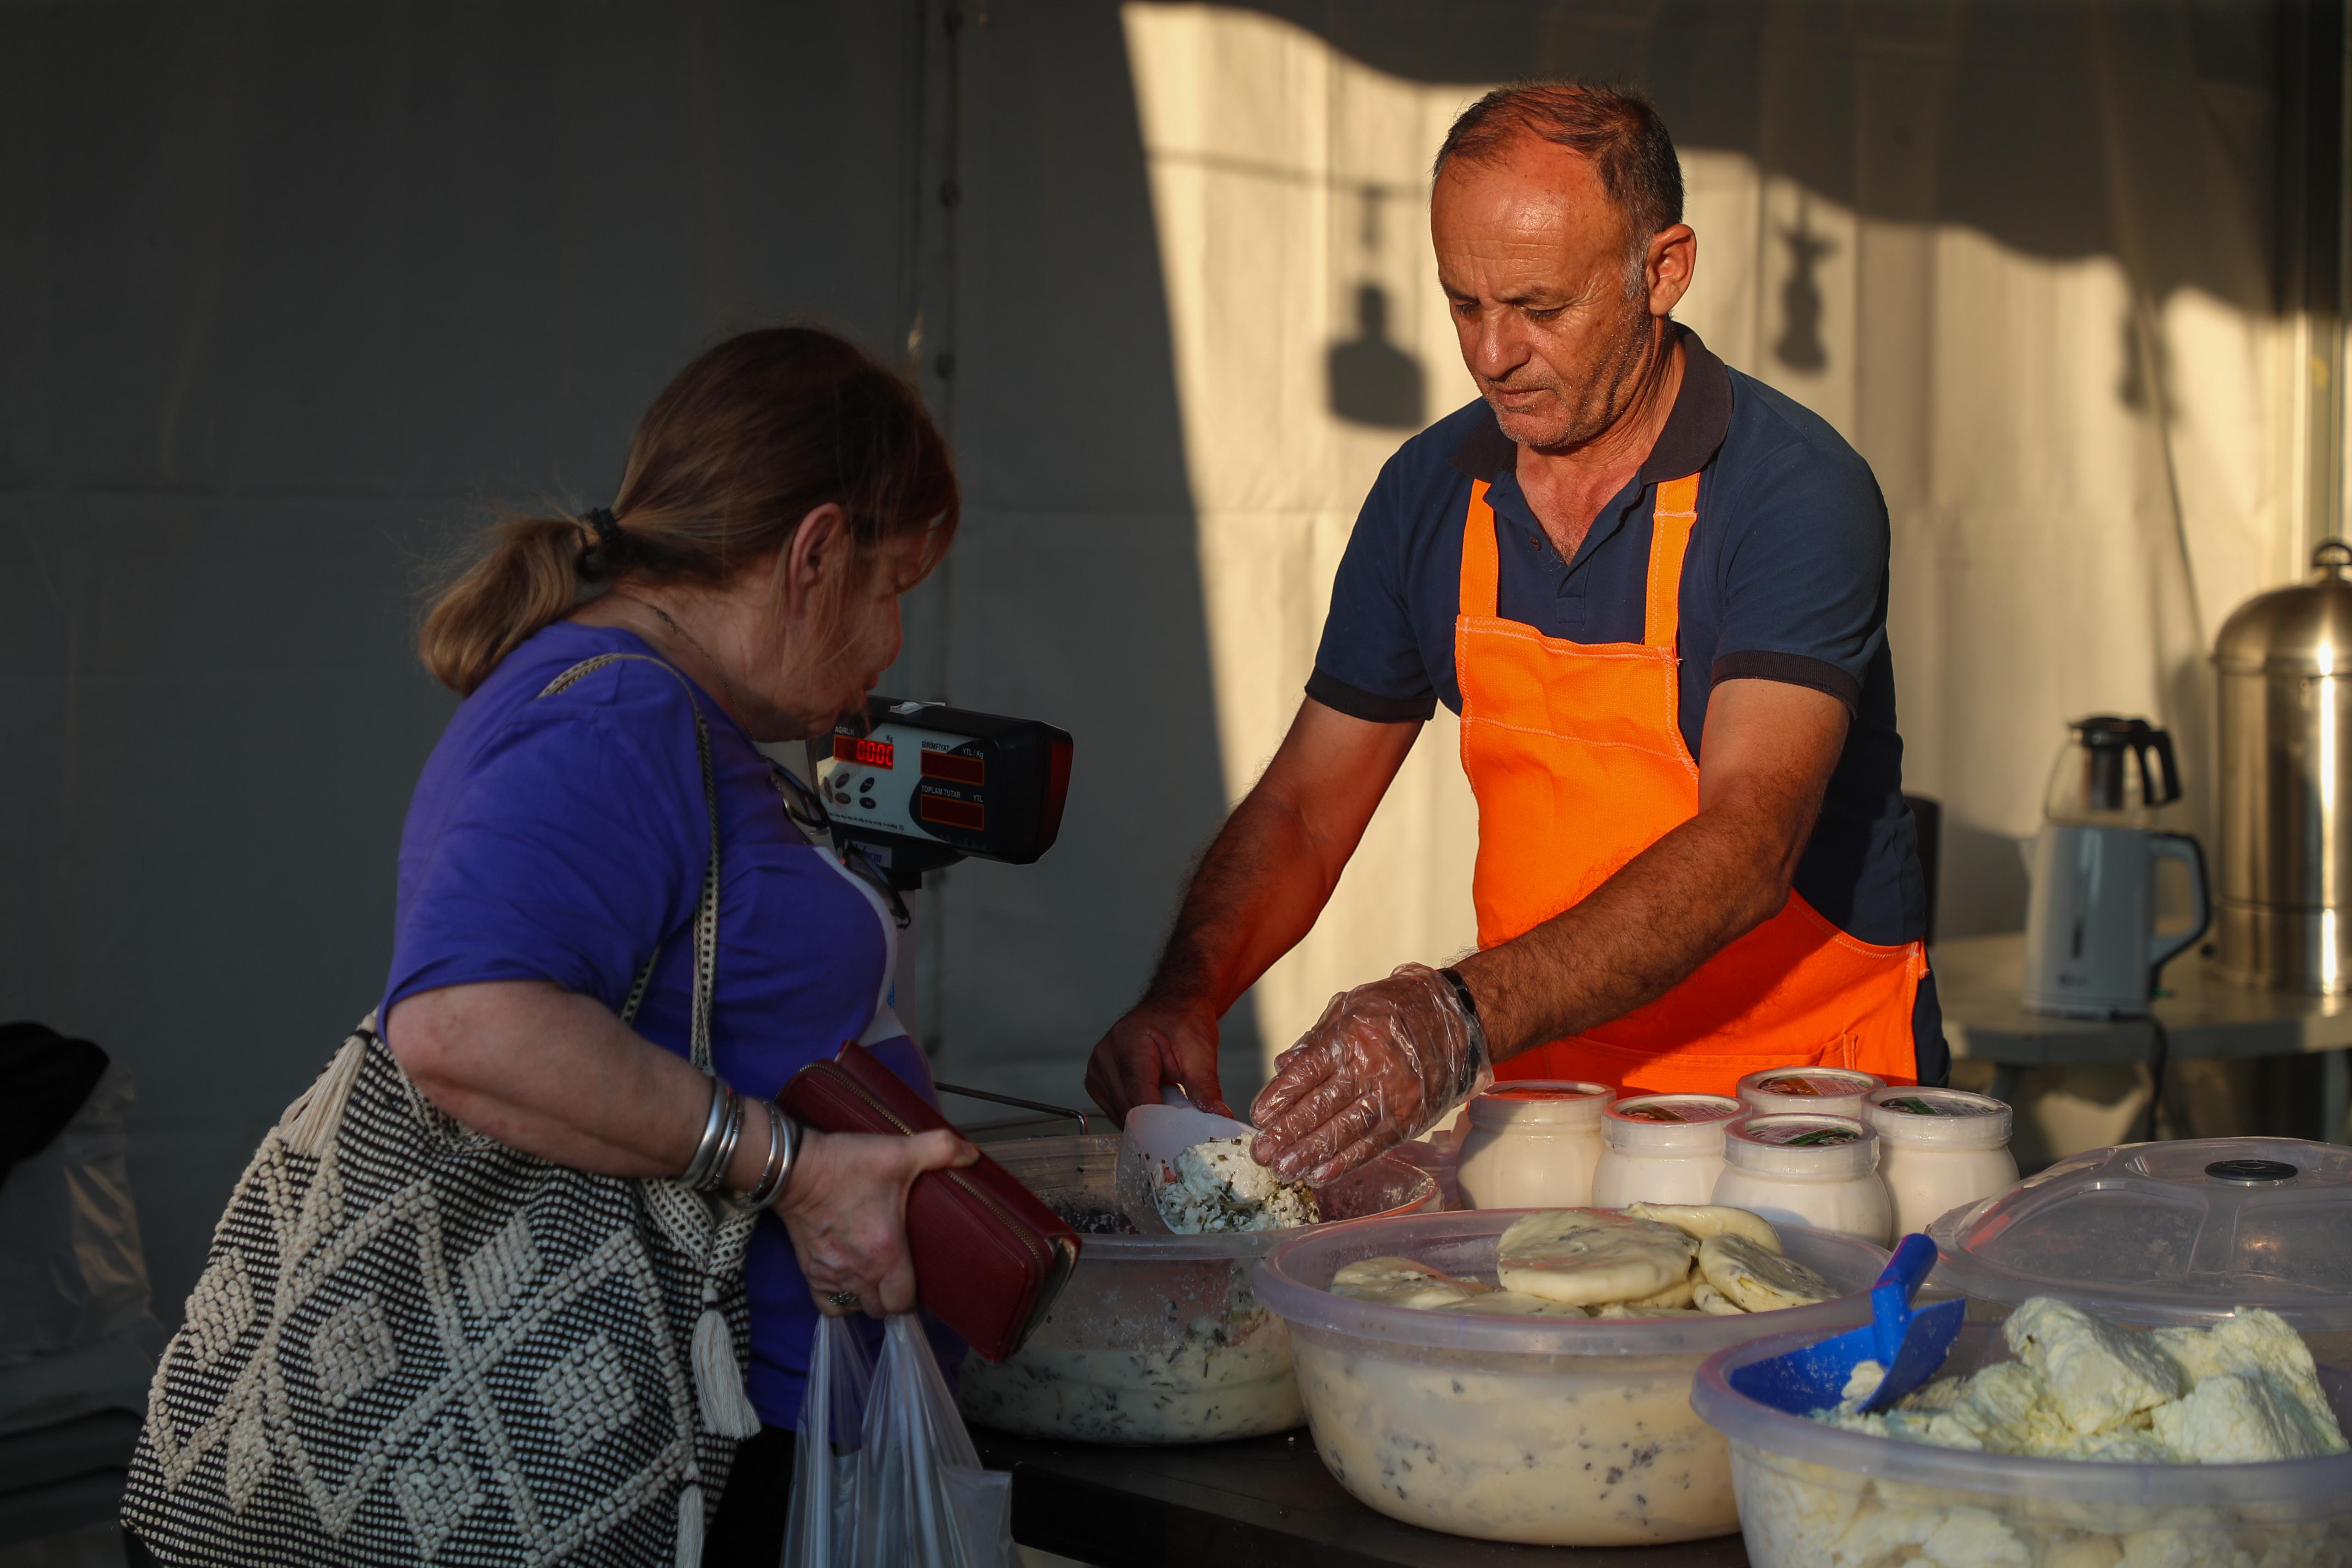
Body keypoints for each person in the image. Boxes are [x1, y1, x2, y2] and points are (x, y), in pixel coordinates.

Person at [1087, 82, 1945, 1186]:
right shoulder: (1432, 491)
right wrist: (1187, 992)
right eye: (1463, 305)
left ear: (1663, 269)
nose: (1493, 354)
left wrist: (1453, 1016)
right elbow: (1305, 809)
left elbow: (1748, 846)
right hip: (1549, 1106)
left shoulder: (1792, 493)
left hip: (1800, 1119)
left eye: (1540, 309)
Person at [384, 326, 969, 1562]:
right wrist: (793, 1166)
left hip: (732, 1411)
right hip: (679, 1434)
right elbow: (461, 1024)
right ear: (814, 550)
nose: (891, 643)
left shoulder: (665, 710)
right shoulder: (617, 708)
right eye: (891, 587)